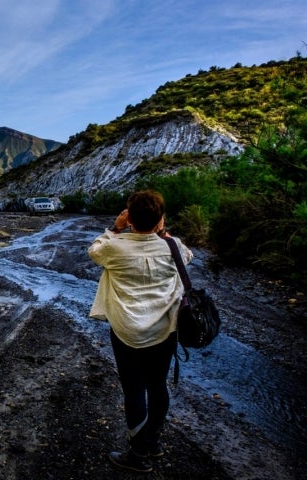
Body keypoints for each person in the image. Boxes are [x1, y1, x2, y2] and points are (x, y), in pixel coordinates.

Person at [87, 190, 193, 474]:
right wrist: (163, 233)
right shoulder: (173, 246)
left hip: (126, 330)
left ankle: (138, 453)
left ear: (130, 217)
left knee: (134, 389)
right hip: (165, 330)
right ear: (161, 220)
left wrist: (115, 227)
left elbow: (94, 250)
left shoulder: (115, 246)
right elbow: (188, 257)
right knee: (157, 385)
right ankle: (153, 441)